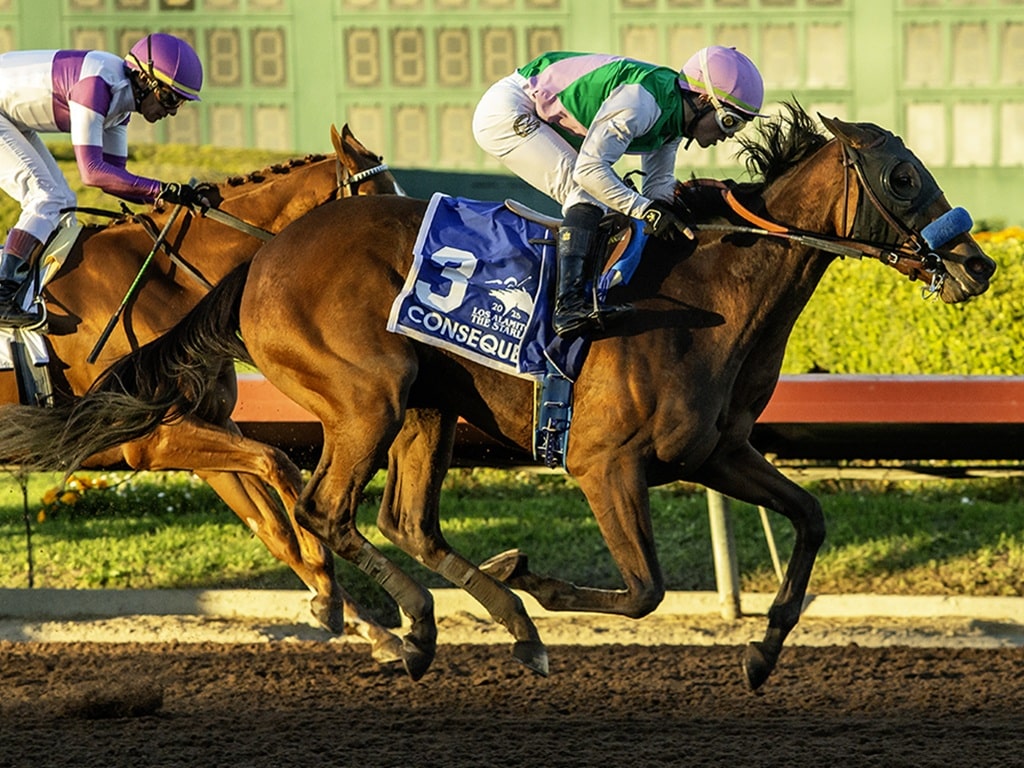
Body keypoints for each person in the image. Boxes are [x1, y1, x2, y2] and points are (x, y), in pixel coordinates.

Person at [472, 45, 765, 340]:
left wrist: (674, 215)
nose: (729, 135)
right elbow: (589, 172)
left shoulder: (674, 119)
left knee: (615, 202)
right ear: (703, 99)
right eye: (730, 121)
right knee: (586, 193)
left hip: (541, 113)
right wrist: (644, 209)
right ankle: (569, 307)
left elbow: (657, 189)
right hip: (508, 110)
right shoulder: (642, 103)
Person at [0, 32, 208, 326]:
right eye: (169, 97)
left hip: (7, 115)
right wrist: (162, 190)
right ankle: (3, 293)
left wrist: (168, 196)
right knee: (46, 197)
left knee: (62, 203)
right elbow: (92, 173)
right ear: (145, 80)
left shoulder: (120, 106)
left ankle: (24, 288)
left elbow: (116, 179)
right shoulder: (98, 85)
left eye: (180, 104)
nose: (171, 111)